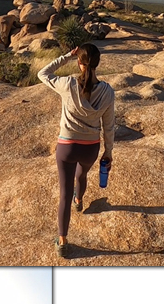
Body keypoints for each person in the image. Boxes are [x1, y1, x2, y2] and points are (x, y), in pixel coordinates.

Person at [37, 42, 115, 258]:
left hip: (67, 147)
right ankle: (79, 201)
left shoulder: (67, 84)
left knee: (63, 195)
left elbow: (42, 73)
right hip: (90, 147)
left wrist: (67, 56)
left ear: (79, 62)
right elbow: (108, 126)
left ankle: (62, 240)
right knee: (82, 175)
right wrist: (108, 152)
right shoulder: (108, 92)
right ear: (97, 63)